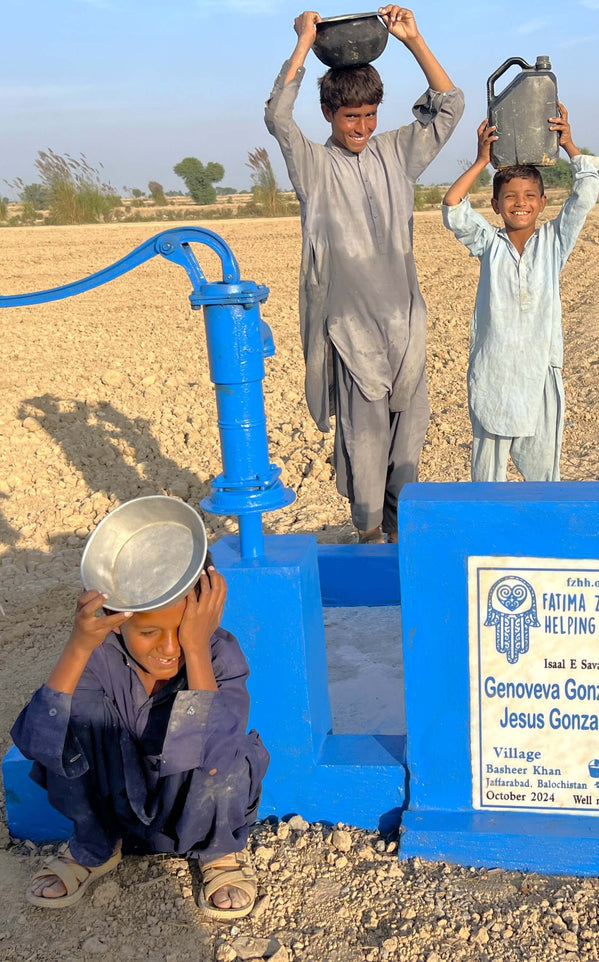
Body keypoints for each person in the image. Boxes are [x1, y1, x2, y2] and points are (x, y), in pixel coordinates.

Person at [265, 7, 464, 543]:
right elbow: (278, 119)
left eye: (370, 114)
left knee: (410, 433)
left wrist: (413, 39)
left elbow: (450, 107)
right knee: (366, 437)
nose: (362, 128)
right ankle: (369, 533)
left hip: (405, 319)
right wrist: (305, 43)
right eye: (351, 117)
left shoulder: (397, 152)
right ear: (330, 113)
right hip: (351, 328)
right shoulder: (314, 165)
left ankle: (399, 534)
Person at [12, 557, 269, 919]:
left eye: (183, 631)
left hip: (189, 803)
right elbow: (38, 741)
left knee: (227, 750)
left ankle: (216, 849)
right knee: (66, 723)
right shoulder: (99, 657)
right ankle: (95, 846)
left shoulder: (217, 655)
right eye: (150, 633)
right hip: (117, 806)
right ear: (118, 624)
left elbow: (218, 754)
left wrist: (196, 650)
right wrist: (79, 645)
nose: (169, 648)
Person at [441, 106, 599, 482]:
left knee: (545, 480)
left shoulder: (553, 242)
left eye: (531, 195)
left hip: (540, 373)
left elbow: (583, 198)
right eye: (511, 196)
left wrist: (569, 145)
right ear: (496, 205)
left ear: (543, 203)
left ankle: (541, 540)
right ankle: (488, 540)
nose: (521, 202)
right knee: (487, 480)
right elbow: (453, 206)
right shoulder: (488, 243)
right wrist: (483, 160)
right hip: (493, 373)